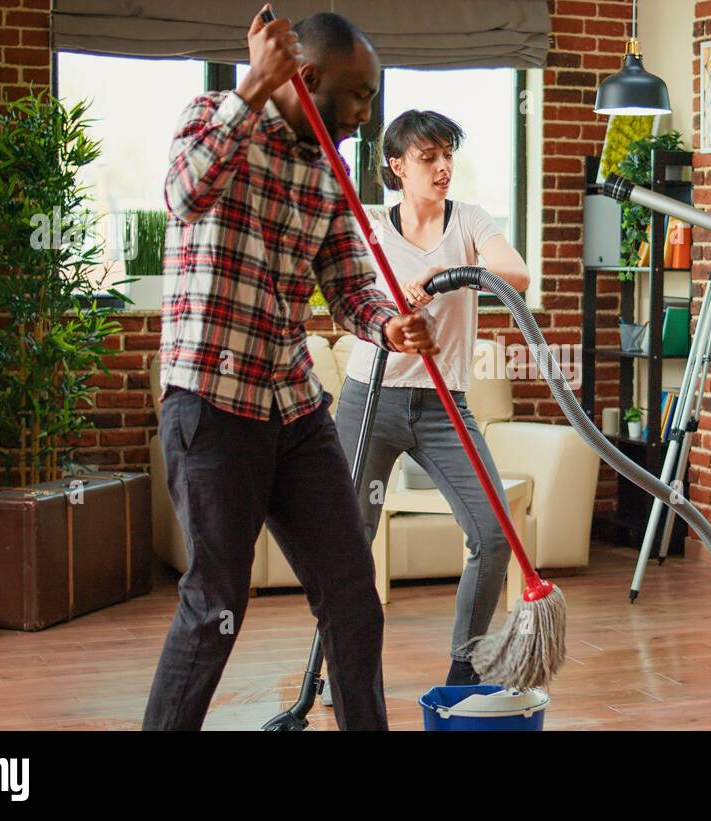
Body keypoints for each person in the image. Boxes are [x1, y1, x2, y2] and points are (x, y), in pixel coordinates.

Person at [145, 8, 438, 731]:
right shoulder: (215, 113)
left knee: (351, 591)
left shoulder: (329, 169)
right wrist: (251, 90)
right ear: (306, 79)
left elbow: (345, 282)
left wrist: (387, 323)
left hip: (292, 404)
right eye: (361, 95)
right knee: (215, 606)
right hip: (211, 404)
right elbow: (182, 193)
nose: (369, 115)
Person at [335, 109, 531, 687]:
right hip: (371, 398)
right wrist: (392, 320)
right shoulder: (369, 225)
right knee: (349, 543)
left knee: (493, 535)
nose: (443, 167)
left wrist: (452, 270)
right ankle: (338, 670)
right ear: (396, 167)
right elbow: (345, 305)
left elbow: (514, 274)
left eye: (449, 155)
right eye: (428, 157)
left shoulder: (468, 219)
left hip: (446, 406)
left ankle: (463, 668)